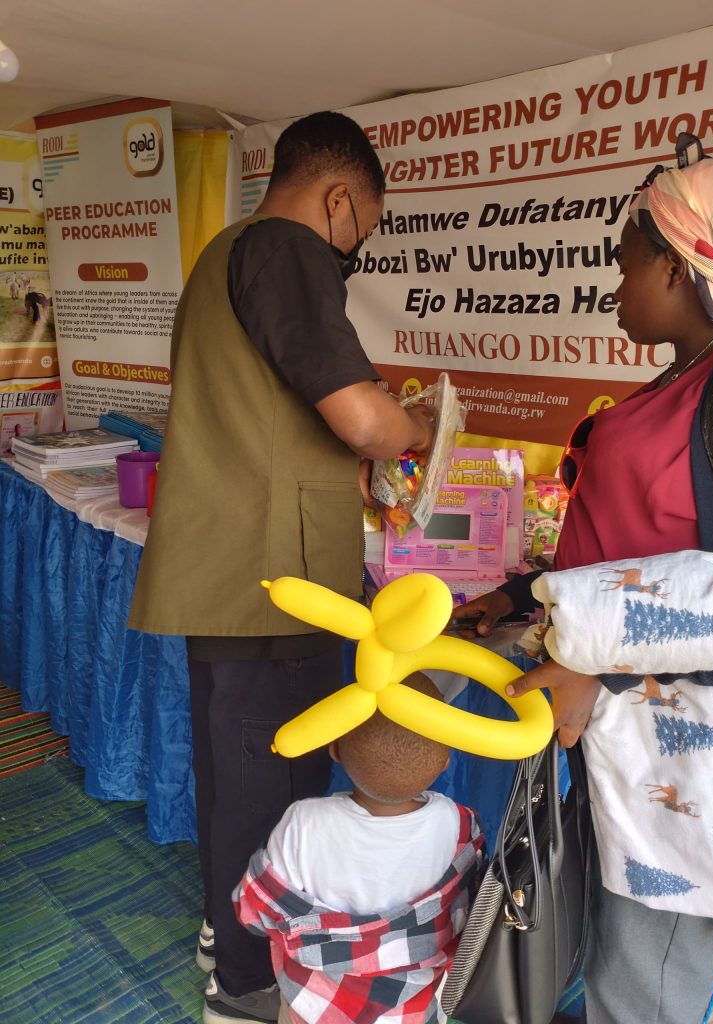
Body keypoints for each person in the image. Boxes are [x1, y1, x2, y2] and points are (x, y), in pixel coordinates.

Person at [127, 111, 435, 1024]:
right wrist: (417, 426)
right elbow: (365, 421)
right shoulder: (289, 250)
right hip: (274, 574)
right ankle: (247, 986)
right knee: (271, 786)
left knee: (237, 776)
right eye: (365, 228)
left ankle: (228, 931)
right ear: (339, 199)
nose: (356, 248)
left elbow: (281, 412)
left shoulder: (225, 253)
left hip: (237, 567)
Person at [453, 133, 713, 1024]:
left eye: (626, 264)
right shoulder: (686, 379)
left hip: (682, 742)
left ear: (677, 266)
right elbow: (634, 542)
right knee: (604, 939)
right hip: (614, 726)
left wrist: (600, 669)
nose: (615, 286)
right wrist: (524, 595)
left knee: (644, 972)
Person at [233, 672, 486, 1024]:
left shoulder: (303, 822)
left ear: (334, 749)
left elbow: (252, 910)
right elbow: (469, 907)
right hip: (413, 1010)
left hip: (314, 1007)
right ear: (446, 762)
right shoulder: (459, 823)